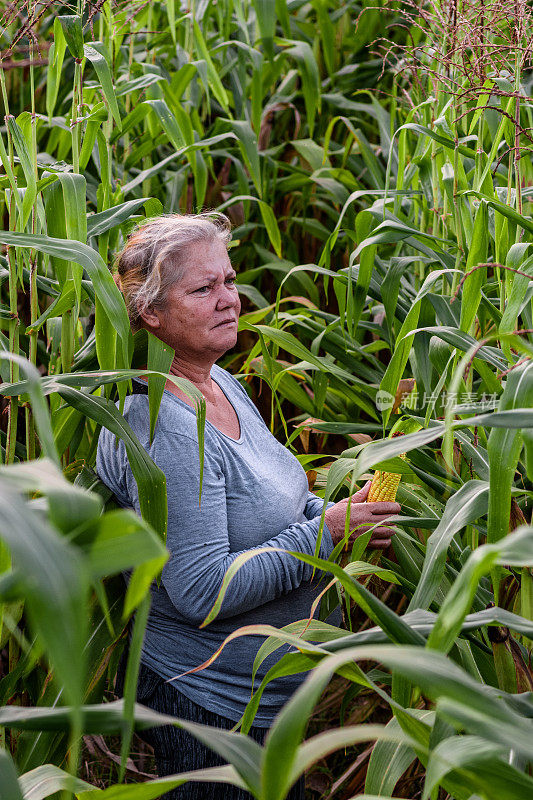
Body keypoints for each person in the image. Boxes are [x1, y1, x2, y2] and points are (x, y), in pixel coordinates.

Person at [95, 213, 400, 799]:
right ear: (149, 313)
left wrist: (334, 515)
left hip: (264, 701)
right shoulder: (167, 426)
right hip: (212, 710)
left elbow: (278, 493)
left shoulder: (219, 383)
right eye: (203, 289)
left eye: (230, 281)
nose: (229, 300)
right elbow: (202, 590)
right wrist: (325, 535)